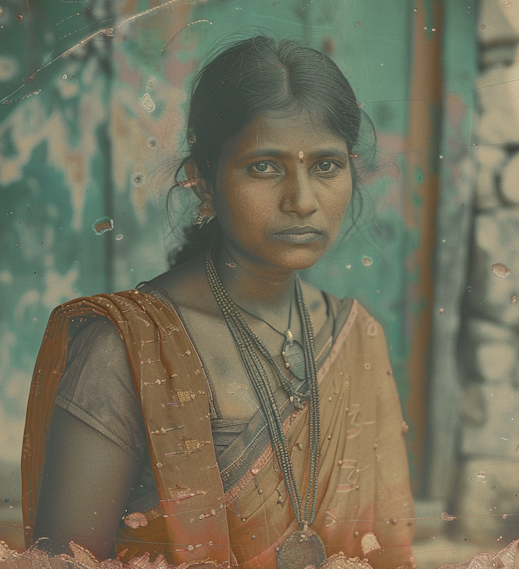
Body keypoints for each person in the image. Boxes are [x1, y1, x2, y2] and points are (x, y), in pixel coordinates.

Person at [21, 36, 415, 569]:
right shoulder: (129, 349)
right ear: (202, 182)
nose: (302, 200)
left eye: (326, 166)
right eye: (264, 167)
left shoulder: (356, 337)